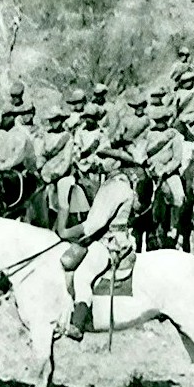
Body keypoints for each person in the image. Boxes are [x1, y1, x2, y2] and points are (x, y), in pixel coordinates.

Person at [57, 138, 145, 341]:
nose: (102, 161)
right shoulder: (116, 183)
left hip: (111, 242)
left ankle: (78, 323)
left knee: (82, 274)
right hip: (109, 236)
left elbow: (95, 223)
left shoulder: (115, 186)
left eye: (106, 158)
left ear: (116, 163)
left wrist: (69, 232)